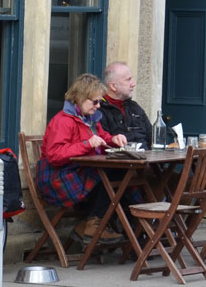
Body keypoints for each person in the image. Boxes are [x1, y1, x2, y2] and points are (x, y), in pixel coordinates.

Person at [36, 73, 129, 245]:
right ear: (79, 98)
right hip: (58, 177)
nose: (98, 106)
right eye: (94, 102)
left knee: (123, 177)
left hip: (79, 170)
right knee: (112, 176)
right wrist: (87, 144)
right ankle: (94, 224)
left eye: (100, 101)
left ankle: (94, 224)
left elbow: (102, 137)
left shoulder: (90, 118)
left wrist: (113, 140)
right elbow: (55, 155)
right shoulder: (63, 121)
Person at [99, 61, 152, 147]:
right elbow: (103, 144)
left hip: (146, 157)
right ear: (113, 86)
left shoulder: (135, 107)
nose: (133, 84)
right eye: (128, 80)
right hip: (119, 158)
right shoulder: (99, 109)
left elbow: (152, 138)